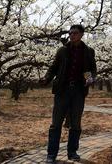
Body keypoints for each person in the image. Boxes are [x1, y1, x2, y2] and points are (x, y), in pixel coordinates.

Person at [41, 24, 97, 163]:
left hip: (78, 91)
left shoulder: (88, 51)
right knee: (56, 123)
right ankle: (51, 154)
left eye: (75, 33)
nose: (72, 35)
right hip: (62, 90)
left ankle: (72, 152)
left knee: (76, 123)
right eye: (70, 33)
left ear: (82, 34)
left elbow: (92, 69)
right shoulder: (62, 50)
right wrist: (46, 78)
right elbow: (53, 67)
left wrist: (89, 80)